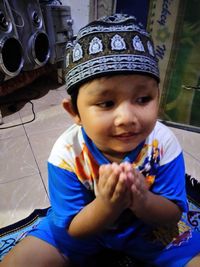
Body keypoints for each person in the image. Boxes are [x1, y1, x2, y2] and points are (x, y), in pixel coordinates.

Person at [1, 13, 200, 267]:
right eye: (107, 103)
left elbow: (172, 214)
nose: (127, 117)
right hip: (86, 225)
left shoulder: (162, 143)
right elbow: (73, 228)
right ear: (75, 112)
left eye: (143, 99)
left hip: (146, 231)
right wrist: (108, 204)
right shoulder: (66, 154)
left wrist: (141, 200)